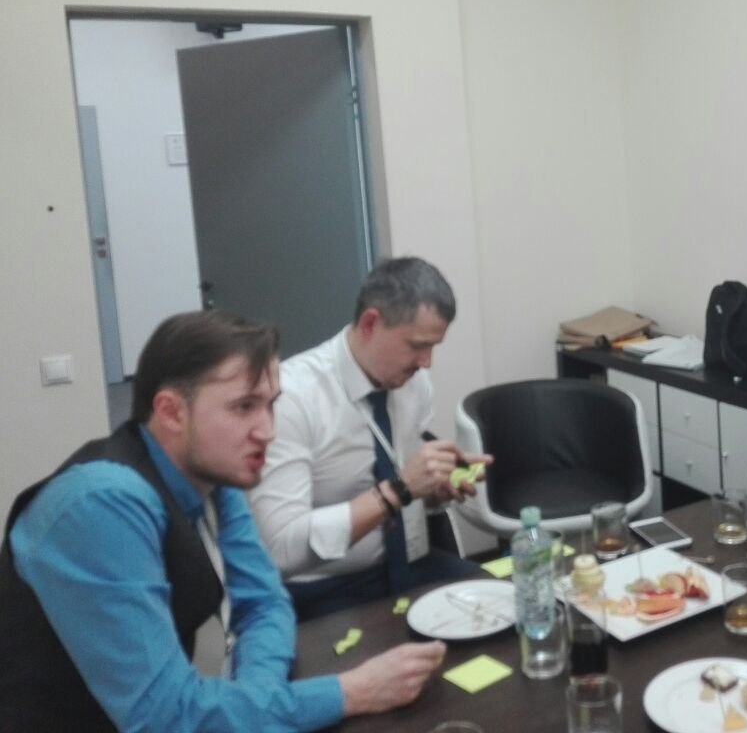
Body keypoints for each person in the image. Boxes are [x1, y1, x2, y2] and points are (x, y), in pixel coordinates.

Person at [0, 310, 447, 732]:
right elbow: (167, 718)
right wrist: (349, 693)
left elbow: (265, 603)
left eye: (271, 405)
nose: (268, 430)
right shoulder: (101, 506)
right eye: (243, 407)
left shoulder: (215, 476)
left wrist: (258, 699)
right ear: (171, 412)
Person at [250, 256, 492, 621]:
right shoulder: (293, 399)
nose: (426, 362)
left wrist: (433, 490)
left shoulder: (413, 384)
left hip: (409, 567)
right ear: (370, 324)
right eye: (417, 345)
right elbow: (280, 548)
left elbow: (400, 477)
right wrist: (399, 491)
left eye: (433, 347)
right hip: (324, 587)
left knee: (506, 607)